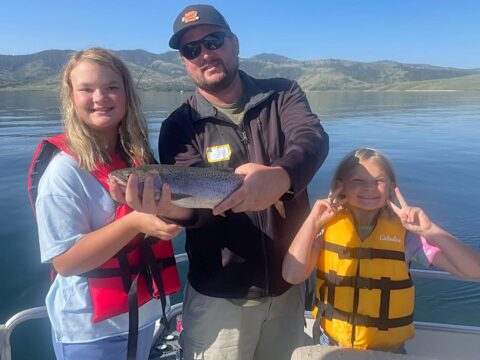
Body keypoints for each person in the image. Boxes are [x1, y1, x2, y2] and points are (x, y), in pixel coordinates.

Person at [109, 4, 329, 359]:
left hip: (290, 288)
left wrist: (280, 177)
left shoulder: (283, 94)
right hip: (220, 299)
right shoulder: (179, 127)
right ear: (184, 61)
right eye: (191, 49)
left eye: (213, 41)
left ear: (235, 43)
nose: (204, 53)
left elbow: (312, 140)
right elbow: (196, 212)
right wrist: (170, 210)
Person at [28, 48, 183, 360]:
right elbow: (65, 263)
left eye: (112, 87)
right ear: (71, 97)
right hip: (91, 333)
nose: (100, 97)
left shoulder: (137, 160)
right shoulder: (63, 173)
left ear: (127, 94)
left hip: (143, 317)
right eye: (87, 89)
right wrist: (135, 223)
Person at [282, 147, 480, 353]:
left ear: (391, 186)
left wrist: (430, 230)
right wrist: (313, 221)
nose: (369, 188)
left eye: (378, 181)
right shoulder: (325, 231)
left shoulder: (406, 236)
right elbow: (292, 275)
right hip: (332, 345)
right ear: (341, 186)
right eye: (358, 181)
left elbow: (474, 270)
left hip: (388, 351)